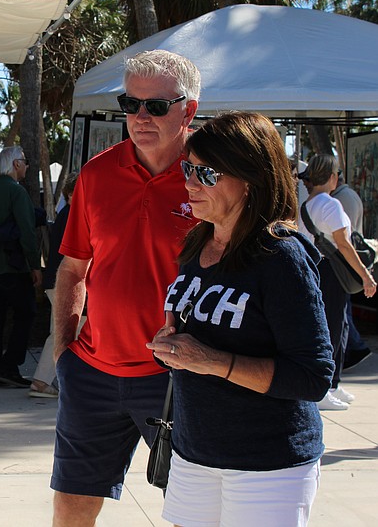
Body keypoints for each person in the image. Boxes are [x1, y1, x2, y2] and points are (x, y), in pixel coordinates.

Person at [149, 111, 334, 526]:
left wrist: (212, 361)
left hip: (268, 464)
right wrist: (171, 348)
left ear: (249, 180)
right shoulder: (198, 244)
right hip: (194, 454)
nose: (190, 184)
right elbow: (197, 340)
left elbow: (313, 377)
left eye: (207, 175)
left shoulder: (281, 256)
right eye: (188, 169)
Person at [51, 49, 200, 524]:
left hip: (178, 375)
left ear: (188, 110)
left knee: (191, 507)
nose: (140, 117)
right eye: (129, 104)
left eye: (156, 106)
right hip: (91, 373)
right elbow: (73, 269)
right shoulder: (96, 175)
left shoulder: (212, 178)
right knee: (72, 505)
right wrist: (64, 356)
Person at [297, 154, 376, 410]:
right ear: (332, 177)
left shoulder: (307, 204)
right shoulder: (330, 205)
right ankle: (325, 386)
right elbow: (344, 245)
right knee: (333, 327)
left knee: (334, 325)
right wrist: (365, 275)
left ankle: (332, 382)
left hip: (317, 269)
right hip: (332, 271)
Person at [0, 146, 42, 389]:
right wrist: (35, 264)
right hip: (12, 268)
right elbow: (27, 231)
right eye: (25, 161)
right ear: (15, 164)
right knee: (26, 313)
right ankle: (9, 366)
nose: (27, 166)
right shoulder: (17, 192)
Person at [30, 173, 80, 399]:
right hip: (62, 281)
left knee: (64, 330)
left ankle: (47, 380)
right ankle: (43, 381)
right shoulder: (72, 214)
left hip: (58, 280)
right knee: (66, 330)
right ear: (70, 193)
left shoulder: (66, 214)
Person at [331, 174, 373, 370]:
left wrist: (364, 275)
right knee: (342, 312)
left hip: (341, 262)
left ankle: (355, 348)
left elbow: (343, 241)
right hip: (345, 261)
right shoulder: (347, 196)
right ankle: (355, 347)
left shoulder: (339, 200)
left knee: (340, 314)